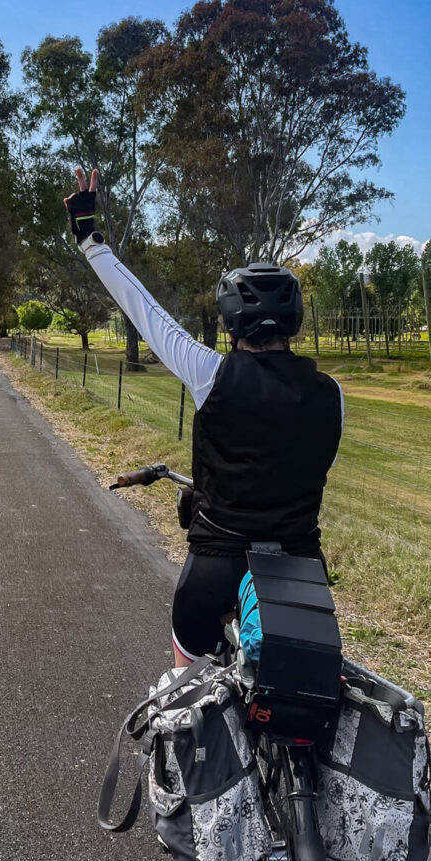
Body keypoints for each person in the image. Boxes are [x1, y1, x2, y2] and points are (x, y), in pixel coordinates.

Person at [63, 168, 344, 668]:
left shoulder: (210, 372)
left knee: (183, 697)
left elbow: (144, 310)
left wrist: (91, 240)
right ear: (296, 322)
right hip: (301, 566)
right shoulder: (331, 394)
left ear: (230, 320)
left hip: (218, 562)